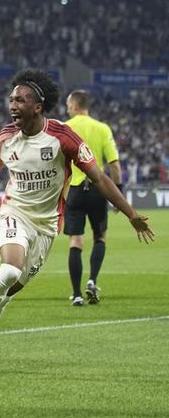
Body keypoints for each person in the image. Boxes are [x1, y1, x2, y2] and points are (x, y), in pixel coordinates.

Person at [0, 69, 154, 374]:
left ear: (37, 106)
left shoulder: (63, 138)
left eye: (20, 99)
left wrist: (131, 215)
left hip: (47, 226)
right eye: (11, 98)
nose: (13, 104)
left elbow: (100, 178)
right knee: (9, 269)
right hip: (14, 213)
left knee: (9, 291)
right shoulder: (5, 138)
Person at [63, 90, 121, 306]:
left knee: (76, 241)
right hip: (98, 189)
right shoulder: (102, 128)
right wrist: (117, 191)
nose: (67, 108)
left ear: (75, 106)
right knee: (100, 237)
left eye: (68, 105)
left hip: (74, 191)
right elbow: (114, 163)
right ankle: (92, 281)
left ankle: (77, 294)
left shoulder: (65, 127)